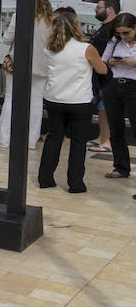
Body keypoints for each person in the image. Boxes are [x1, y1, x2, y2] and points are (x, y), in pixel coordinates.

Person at [38, 13, 109, 192]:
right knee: (78, 143)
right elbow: (101, 70)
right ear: (75, 27)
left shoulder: (50, 48)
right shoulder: (86, 48)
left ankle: (45, 179)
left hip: (54, 99)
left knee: (54, 138)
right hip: (79, 102)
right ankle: (75, 184)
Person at [0, 0, 53, 150]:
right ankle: (30, 141)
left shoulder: (18, 16)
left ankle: (4, 139)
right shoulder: (51, 21)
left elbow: (7, 39)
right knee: (36, 102)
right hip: (42, 66)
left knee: (10, 99)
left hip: (18, 64)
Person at [101, 12, 136, 178]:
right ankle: (121, 167)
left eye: (126, 33)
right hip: (115, 84)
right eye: (119, 33)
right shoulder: (115, 41)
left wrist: (133, 62)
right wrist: (112, 61)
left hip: (134, 85)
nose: (123, 36)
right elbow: (104, 60)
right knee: (115, 128)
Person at [89, 0, 121, 155]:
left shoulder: (114, 29)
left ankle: (108, 141)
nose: (96, 9)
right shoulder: (104, 27)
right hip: (100, 74)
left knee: (108, 108)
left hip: (110, 75)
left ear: (109, 9)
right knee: (102, 108)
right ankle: (102, 137)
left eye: (99, 7)